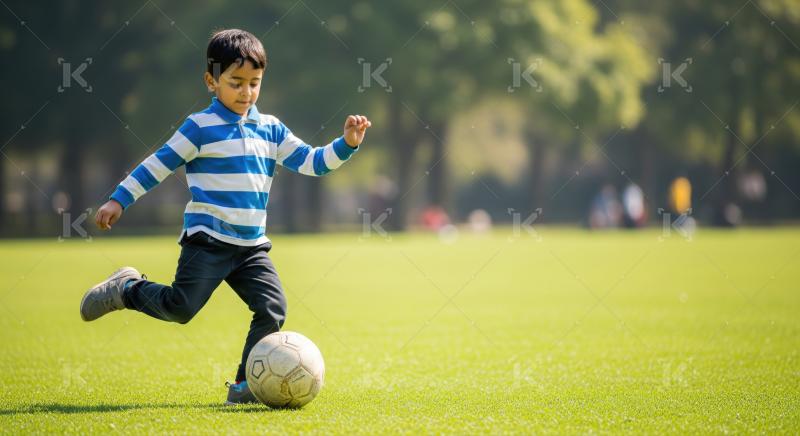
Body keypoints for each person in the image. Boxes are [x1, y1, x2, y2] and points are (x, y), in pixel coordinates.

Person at [80, 29, 371, 405]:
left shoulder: (271, 129)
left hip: (251, 248)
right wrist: (119, 199)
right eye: (235, 83)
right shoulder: (200, 127)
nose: (246, 92)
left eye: (254, 83)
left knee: (272, 309)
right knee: (180, 308)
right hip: (208, 241)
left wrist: (346, 144)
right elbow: (159, 164)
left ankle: (244, 386)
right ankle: (127, 289)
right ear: (211, 81)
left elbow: (313, 163)